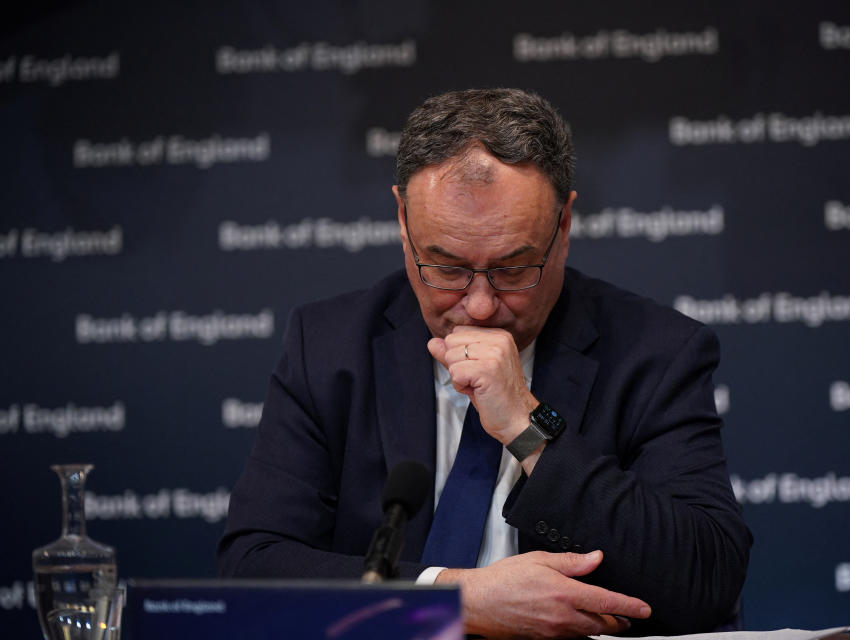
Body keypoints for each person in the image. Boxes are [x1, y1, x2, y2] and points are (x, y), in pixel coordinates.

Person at [218, 88, 752, 639]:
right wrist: (454, 598)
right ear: (403, 221)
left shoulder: (655, 352)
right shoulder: (330, 347)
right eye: (446, 269)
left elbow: (706, 580)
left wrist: (529, 426)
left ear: (563, 226)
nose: (478, 305)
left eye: (515, 268)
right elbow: (253, 567)